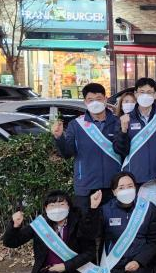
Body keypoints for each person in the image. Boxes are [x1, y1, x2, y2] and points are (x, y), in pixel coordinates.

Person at [114, 77, 156, 273]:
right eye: (142, 92)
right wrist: (123, 130)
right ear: (136, 94)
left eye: (150, 92)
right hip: (133, 183)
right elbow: (119, 150)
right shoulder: (125, 118)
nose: (146, 95)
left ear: (155, 94)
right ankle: (136, 266)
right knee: (135, 226)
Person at [2, 191, 97, 273]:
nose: (57, 209)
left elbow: (90, 252)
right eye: (52, 205)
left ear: (69, 206)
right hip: (50, 272)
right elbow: (11, 242)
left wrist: (65, 266)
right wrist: (14, 225)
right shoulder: (40, 225)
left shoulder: (78, 223)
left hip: (76, 271)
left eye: (61, 204)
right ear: (46, 208)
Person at [95, 172, 156, 273]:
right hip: (114, 262)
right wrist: (92, 210)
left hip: (139, 262)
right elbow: (91, 233)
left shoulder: (148, 208)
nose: (126, 190)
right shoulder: (105, 210)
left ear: (136, 188)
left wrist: (139, 261)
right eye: (121, 187)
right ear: (114, 192)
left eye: (130, 186)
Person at [52, 82, 122, 214]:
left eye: (99, 99)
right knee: (86, 223)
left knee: (112, 223)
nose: (95, 103)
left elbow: (124, 149)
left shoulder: (117, 122)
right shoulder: (76, 125)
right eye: (90, 100)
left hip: (114, 185)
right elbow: (67, 153)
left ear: (105, 99)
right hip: (86, 186)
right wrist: (59, 137)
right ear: (85, 102)